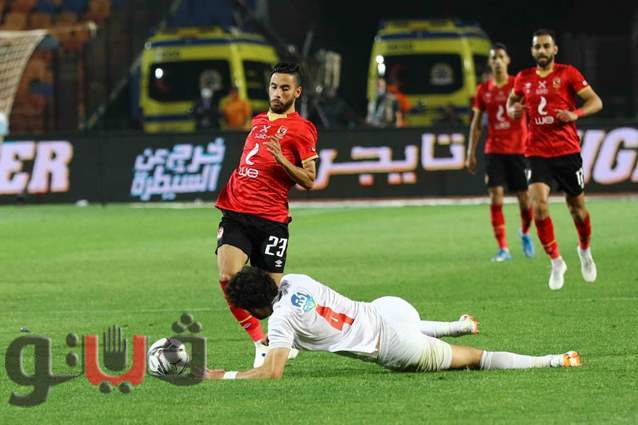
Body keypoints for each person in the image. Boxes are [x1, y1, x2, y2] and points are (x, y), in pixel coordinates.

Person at [202, 267, 581, 380]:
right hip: (387, 309)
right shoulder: (295, 280)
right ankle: (457, 324)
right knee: (405, 321)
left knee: (474, 359)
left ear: (256, 307)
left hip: (395, 347)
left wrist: (219, 375)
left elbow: (271, 373)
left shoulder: (281, 322)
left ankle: (552, 360)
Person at [214, 63, 319, 367]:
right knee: (227, 277)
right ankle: (260, 342)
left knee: (267, 302)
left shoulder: (302, 129)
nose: (277, 93)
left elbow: (309, 179)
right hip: (236, 211)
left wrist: (283, 161)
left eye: (285, 88)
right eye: (274, 87)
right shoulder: (258, 121)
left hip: (272, 220)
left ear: (297, 92)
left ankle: (290, 337)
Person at [507, 29, 603, 290]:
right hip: (536, 153)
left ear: (554, 49)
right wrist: (513, 110)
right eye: (537, 47)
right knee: (538, 207)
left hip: (567, 151)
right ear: (532, 50)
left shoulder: (568, 73)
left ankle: (584, 250)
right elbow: (511, 103)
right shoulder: (523, 78)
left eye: (546, 46)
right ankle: (556, 261)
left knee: (577, 210)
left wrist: (575, 114)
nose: (542, 50)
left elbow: (596, 102)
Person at [466, 43, 535, 262]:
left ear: (507, 60)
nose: (497, 61)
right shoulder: (483, 90)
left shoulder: (518, 85)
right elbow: (477, 124)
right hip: (494, 150)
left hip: (519, 150)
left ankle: (524, 232)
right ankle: (503, 248)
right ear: (490, 62)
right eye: (493, 58)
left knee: (525, 200)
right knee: (495, 196)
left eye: (500, 57)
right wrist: (470, 153)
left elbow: (534, 111)